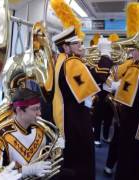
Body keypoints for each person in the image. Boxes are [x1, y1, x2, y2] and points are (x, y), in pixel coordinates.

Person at [52, 26, 100, 180]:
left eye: (80, 42)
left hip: (68, 117)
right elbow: (90, 92)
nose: (81, 46)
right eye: (76, 43)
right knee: (83, 156)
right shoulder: (73, 62)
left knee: (72, 157)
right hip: (78, 119)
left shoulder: (62, 61)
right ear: (66, 47)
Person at [0, 88, 63, 179]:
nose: (39, 113)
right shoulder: (1, 134)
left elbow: (48, 158)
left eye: (39, 108)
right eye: (35, 109)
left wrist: (56, 147)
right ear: (19, 110)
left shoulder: (41, 127)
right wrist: (26, 171)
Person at [114, 36, 139, 180]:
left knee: (127, 157)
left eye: (135, 49)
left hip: (131, 120)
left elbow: (124, 98)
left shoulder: (137, 68)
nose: (132, 52)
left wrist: (115, 89)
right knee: (138, 157)